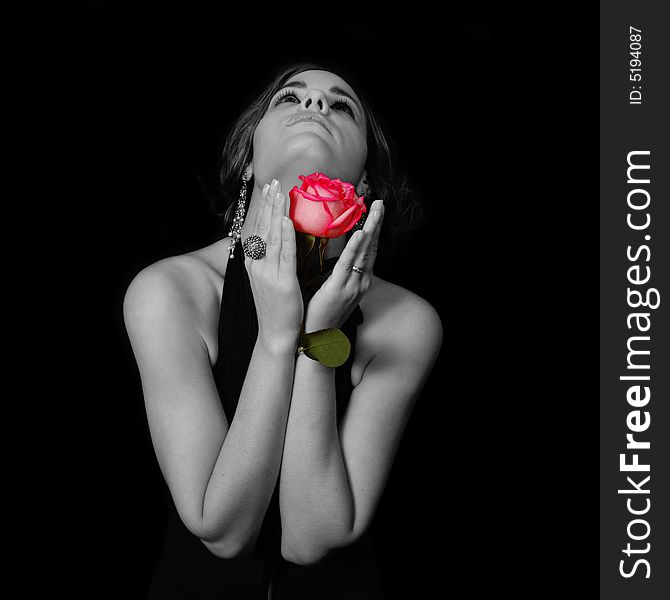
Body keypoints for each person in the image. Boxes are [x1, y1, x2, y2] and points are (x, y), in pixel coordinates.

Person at [123, 62, 443, 599]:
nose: (316, 105)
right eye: (290, 98)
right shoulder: (169, 291)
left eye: (342, 106)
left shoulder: (407, 321)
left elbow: (312, 539)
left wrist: (318, 336)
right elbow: (221, 531)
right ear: (249, 160)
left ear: (363, 180)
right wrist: (276, 337)